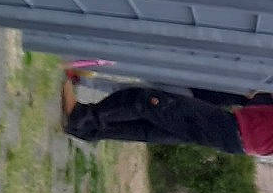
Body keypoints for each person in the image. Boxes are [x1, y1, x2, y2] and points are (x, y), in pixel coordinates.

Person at [62, 69, 273, 154]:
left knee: (147, 102)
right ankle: (88, 130)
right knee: (153, 129)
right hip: (236, 139)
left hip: (231, 129)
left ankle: (79, 117)